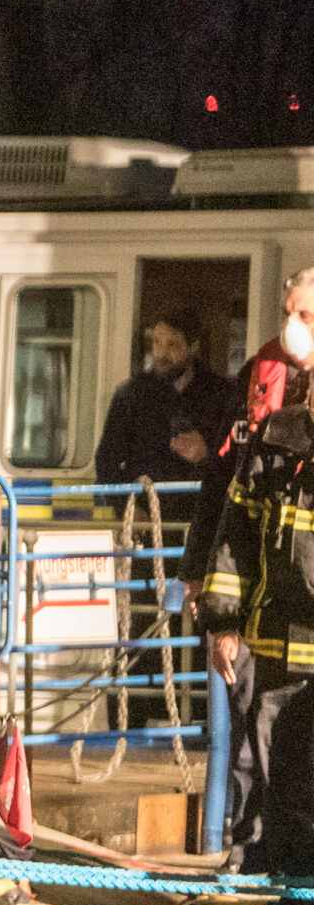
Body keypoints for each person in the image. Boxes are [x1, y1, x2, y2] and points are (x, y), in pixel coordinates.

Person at [195, 271, 314, 862]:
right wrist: (220, 617)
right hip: (270, 642)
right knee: (273, 776)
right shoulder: (272, 422)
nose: (293, 329)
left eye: (306, 317)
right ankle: (271, 882)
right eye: (290, 313)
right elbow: (231, 517)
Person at [97, 307, 235, 524]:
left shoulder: (221, 394)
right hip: (145, 518)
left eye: (173, 345)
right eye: (156, 343)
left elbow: (237, 459)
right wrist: (125, 507)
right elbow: (106, 459)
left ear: (193, 346)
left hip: (201, 518)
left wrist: (207, 454)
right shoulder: (131, 395)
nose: (161, 354)